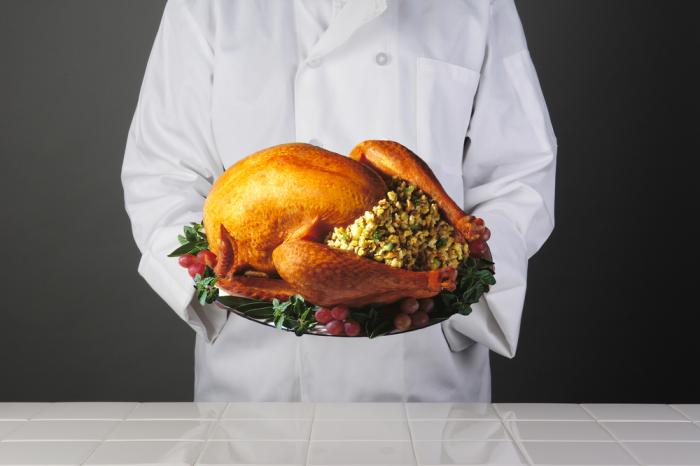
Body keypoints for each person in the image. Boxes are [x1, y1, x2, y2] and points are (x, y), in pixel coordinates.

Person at [121, 0, 557, 402]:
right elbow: (162, 171)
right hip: (257, 385)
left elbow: (518, 173)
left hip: (423, 377)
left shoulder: (476, 6)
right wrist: (225, 292)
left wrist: (454, 294)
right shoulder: (208, 6)